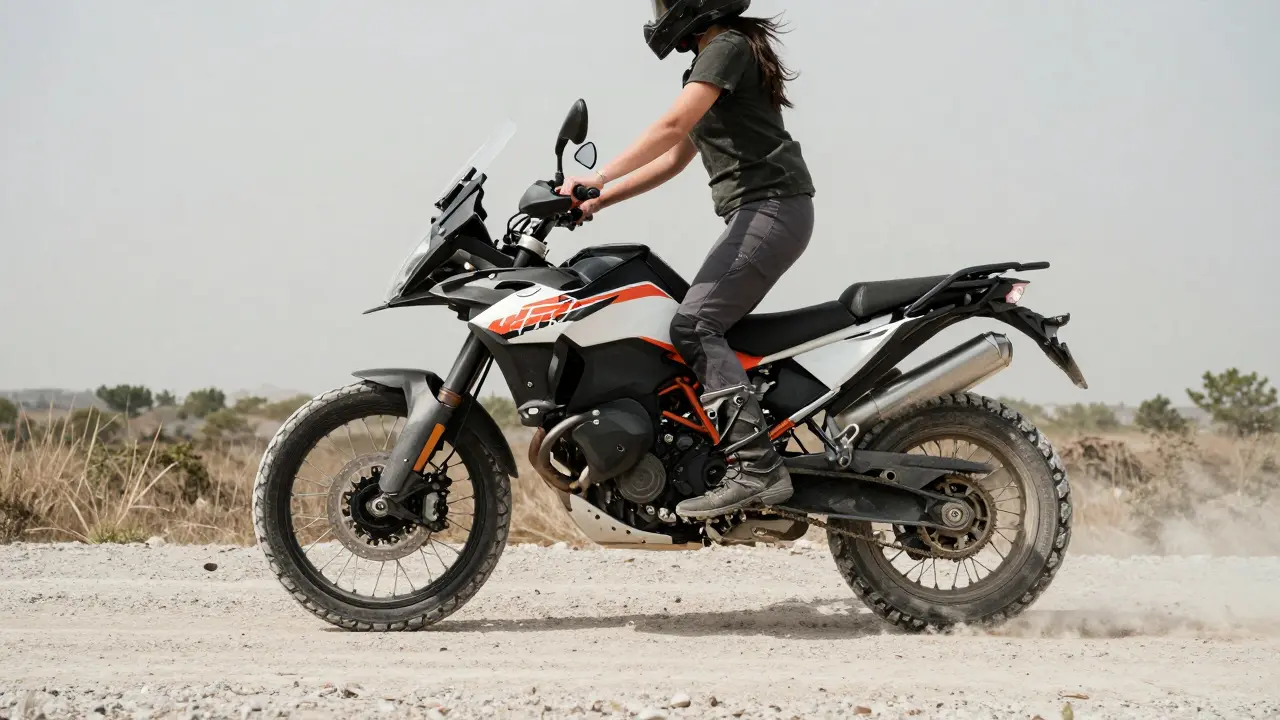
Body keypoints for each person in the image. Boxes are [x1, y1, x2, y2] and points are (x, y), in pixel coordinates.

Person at [556, 0, 815, 518]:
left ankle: (757, 466)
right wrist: (599, 199)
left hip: (772, 208)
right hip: (764, 212)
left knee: (695, 326)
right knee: (694, 324)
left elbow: (673, 127)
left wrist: (598, 175)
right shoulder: (717, 56)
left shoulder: (726, 47)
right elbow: (676, 157)